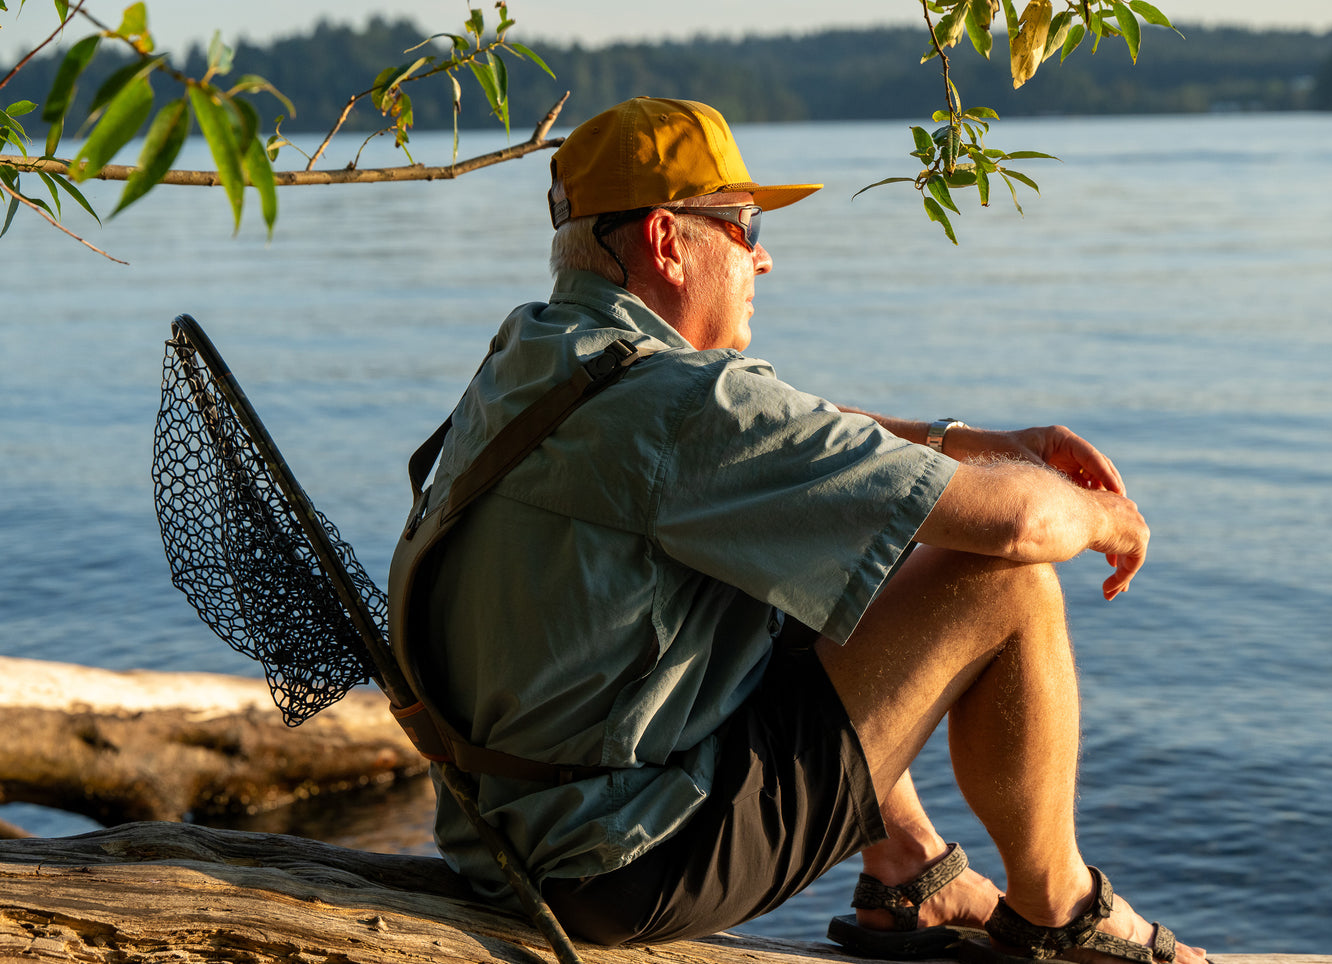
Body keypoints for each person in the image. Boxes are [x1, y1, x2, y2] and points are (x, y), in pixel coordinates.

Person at [390, 96, 1207, 963]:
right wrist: (1105, 516)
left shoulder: (537, 353)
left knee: (809, 543)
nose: (764, 257)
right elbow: (1013, 525)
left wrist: (968, 443)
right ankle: (1059, 910)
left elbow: (790, 439)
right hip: (617, 864)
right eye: (742, 227)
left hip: (501, 831)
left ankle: (910, 871)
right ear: (669, 241)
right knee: (1001, 584)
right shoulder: (681, 410)